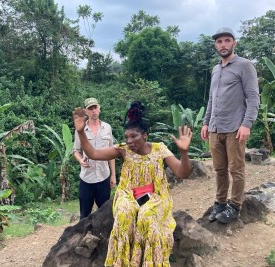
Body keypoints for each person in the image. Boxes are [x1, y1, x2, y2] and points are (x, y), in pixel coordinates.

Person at [72, 101, 192, 267]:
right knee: (124, 213)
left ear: (144, 135)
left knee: (147, 216)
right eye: (126, 137)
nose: (129, 141)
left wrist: (184, 152)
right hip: (128, 193)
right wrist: (81, 132)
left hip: (156, 195)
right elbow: (93, 153)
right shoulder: (123, 150)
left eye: (133, 136)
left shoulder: (160, 149)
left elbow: (183, 173)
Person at [200, 27, 260, 224]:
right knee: (219, 169)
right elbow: (211, 98)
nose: (223, 44)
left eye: (227, 40)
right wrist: (206, 122)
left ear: (234, 43)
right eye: (219, 42)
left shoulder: (244, 66)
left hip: (235, 127)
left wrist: (247, 124)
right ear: (215, 45)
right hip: (216, 128)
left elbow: (253, 97)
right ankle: (220, 203)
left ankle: (235, 206)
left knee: (236, 169)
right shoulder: (216, 69)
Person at [73, 97, 116, 220]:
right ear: (86, 112)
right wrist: (81, 160)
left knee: (105, 215)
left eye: (95, 107)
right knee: (84, 215)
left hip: (103, 177)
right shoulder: (80, 130)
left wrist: (113, 175)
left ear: (99, 109)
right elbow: (76, 151)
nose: (93, 111)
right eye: (90, 109)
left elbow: (111, 153)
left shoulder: (107, 128)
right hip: (87, 178)